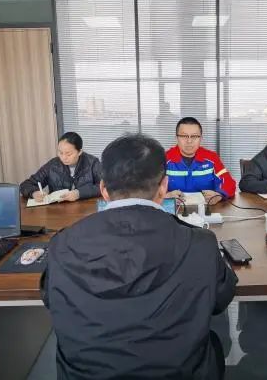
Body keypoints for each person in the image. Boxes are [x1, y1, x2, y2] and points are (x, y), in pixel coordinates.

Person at [41, 134, 237, 380]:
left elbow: (51, 299)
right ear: (164, 187)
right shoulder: (201, 243)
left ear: (103, 189)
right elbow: (220, 300)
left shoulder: (62, 243)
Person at [166, 117, 236, 203]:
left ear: (201, 138)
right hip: (173, 209)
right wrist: (165, 196)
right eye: (184, 136)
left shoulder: (211, 158)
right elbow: (152, 188)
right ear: (176, 138)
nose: (189, 141)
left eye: (195, 136)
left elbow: (229, 184)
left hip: (207, 208)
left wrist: (219, 195)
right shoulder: (164, 159)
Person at [20, 132, 101, 202]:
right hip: (58, 210)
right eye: (60, 153)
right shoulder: (52, 165)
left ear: (79, 152)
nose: (63, 157)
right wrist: (33, 193)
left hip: (86, 208)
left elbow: (105, 185)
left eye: (68, 154)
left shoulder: (92, 163)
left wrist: (79, 193)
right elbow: (26, 185)